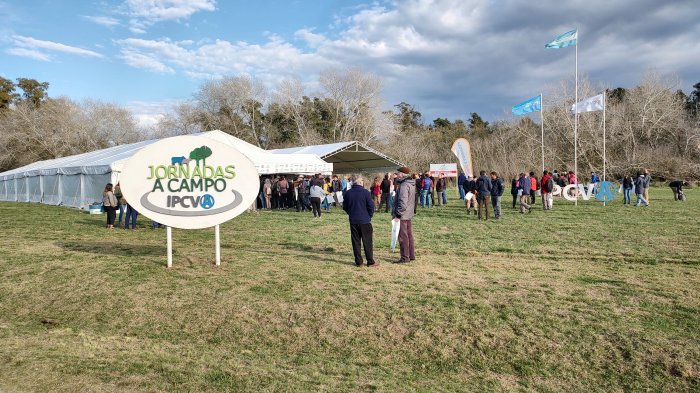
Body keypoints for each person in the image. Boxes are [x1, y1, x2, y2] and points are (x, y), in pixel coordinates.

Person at [342, 175, 376, 267]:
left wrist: (351, 213)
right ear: (360, 183)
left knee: (355, 241)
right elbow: (371, 206)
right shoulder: (365, 192)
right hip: (364, 220)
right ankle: (370, 261)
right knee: (367, 241)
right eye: (362, 181)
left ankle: (359, 261)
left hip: (353, 220)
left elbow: (345, 207)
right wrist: (369, 216)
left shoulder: (348, 193)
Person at [393, 167, 416, 263]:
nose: (397, 175)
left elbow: (403, 202)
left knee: (403, 237)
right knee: (409, 235)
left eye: (398, 173)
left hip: (402, 215)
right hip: (408, 214)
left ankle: (405, 257)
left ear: (402, 174)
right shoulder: (411, 184)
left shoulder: (404, 185)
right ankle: (411, 255)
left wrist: (398, 215)